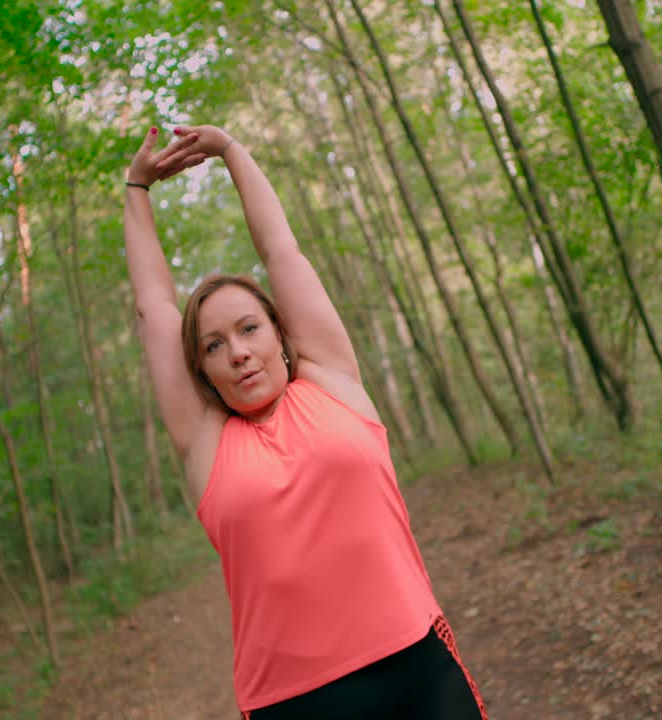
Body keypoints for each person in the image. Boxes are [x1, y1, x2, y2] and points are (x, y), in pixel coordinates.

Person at [124, 124, 487, 720]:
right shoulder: (206, 444)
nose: (236, 351)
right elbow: (155, 308)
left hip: (415, 668)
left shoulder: (331, 381)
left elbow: (281, 250)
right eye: (213, 346)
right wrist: (138, 185)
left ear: (279, 332)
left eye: (248, 328)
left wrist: (231, 151)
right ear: (202, 371)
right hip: (293, 701)